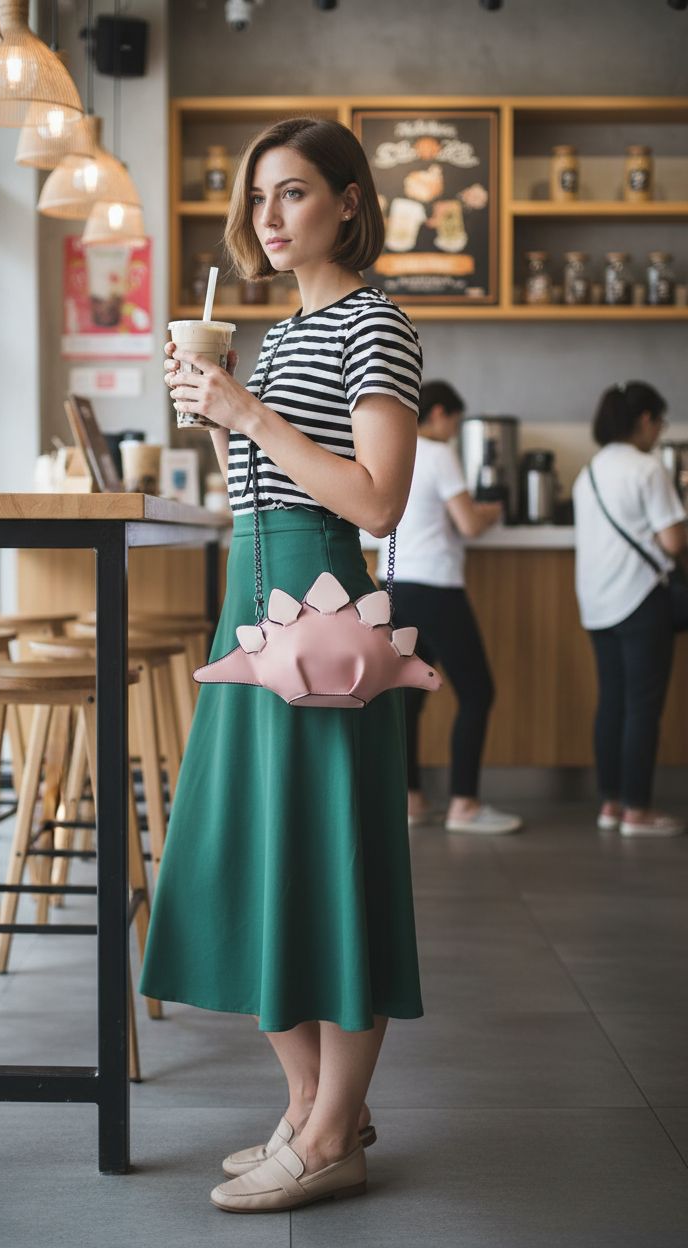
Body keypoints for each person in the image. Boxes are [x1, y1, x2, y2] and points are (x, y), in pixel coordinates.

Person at [138, 117, 423, 1212]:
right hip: (251, 596)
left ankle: (323, 1131)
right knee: (252, 854)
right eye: (259, 197)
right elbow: (261, 482)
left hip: (321, 604)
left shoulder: (375, 323)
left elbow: (373, 497)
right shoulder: (275, 330)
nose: (269, 215)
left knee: (329, 860)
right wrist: (220, 422)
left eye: (293, 192)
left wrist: (245, 409)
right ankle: (319, 1113)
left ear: (348, 202)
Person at [376, 381, 523, 836]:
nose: (453, 432)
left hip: (394, 586)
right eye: (453, 423)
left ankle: (411, 799)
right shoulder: (437, 453)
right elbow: (470, 524)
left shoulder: (392, 448)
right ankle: (464, 803)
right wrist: (493, 511)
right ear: (438, 414)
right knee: (478, 692)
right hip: (437, 588)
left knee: (408, 697)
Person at [573, 380, 687, 837]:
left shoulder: (590, 471)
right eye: (660, 421)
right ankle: (638, 811)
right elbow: (673, 541)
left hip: (598, 603)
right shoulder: (647, 468)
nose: (660, 431)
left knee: (613, 703)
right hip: (640, 600)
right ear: (645, 421)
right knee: (642, 707)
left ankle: (611, 804)